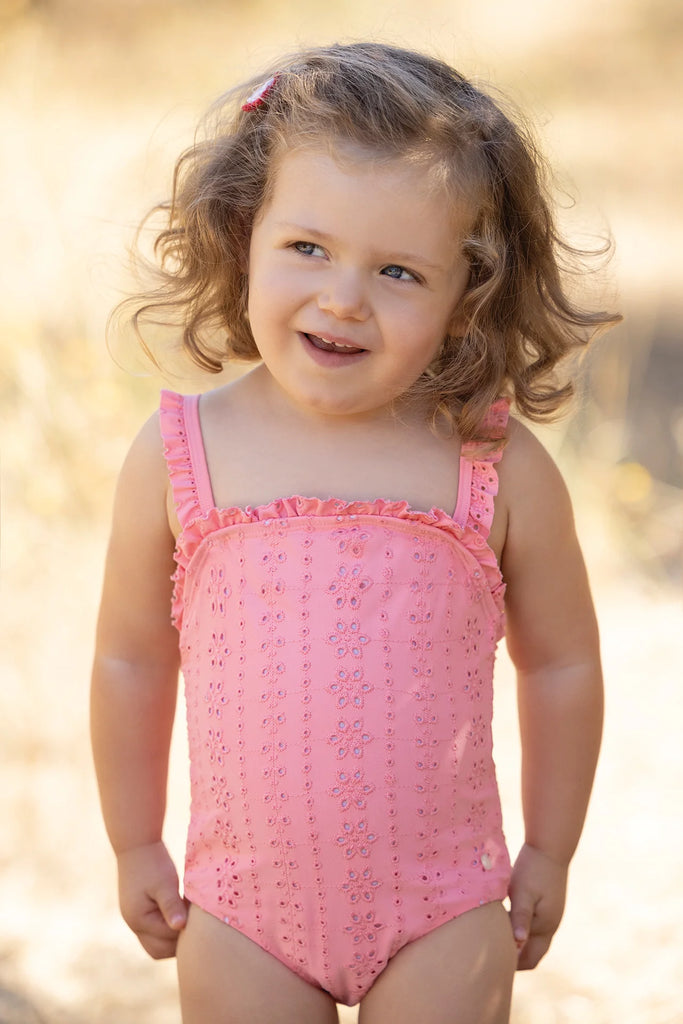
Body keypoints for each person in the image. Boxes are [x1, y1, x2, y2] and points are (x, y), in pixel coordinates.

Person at [90, 42, 620, 1024]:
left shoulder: (491, 467)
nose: (343, 296)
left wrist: (549, 846)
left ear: (466, 294)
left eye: (396, 271)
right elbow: (129, 658)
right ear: (243, 232)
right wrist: (134, 842)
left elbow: (558, 662)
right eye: (306, 248)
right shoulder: (178, 454)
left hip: (442, 911)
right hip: (243, 911)